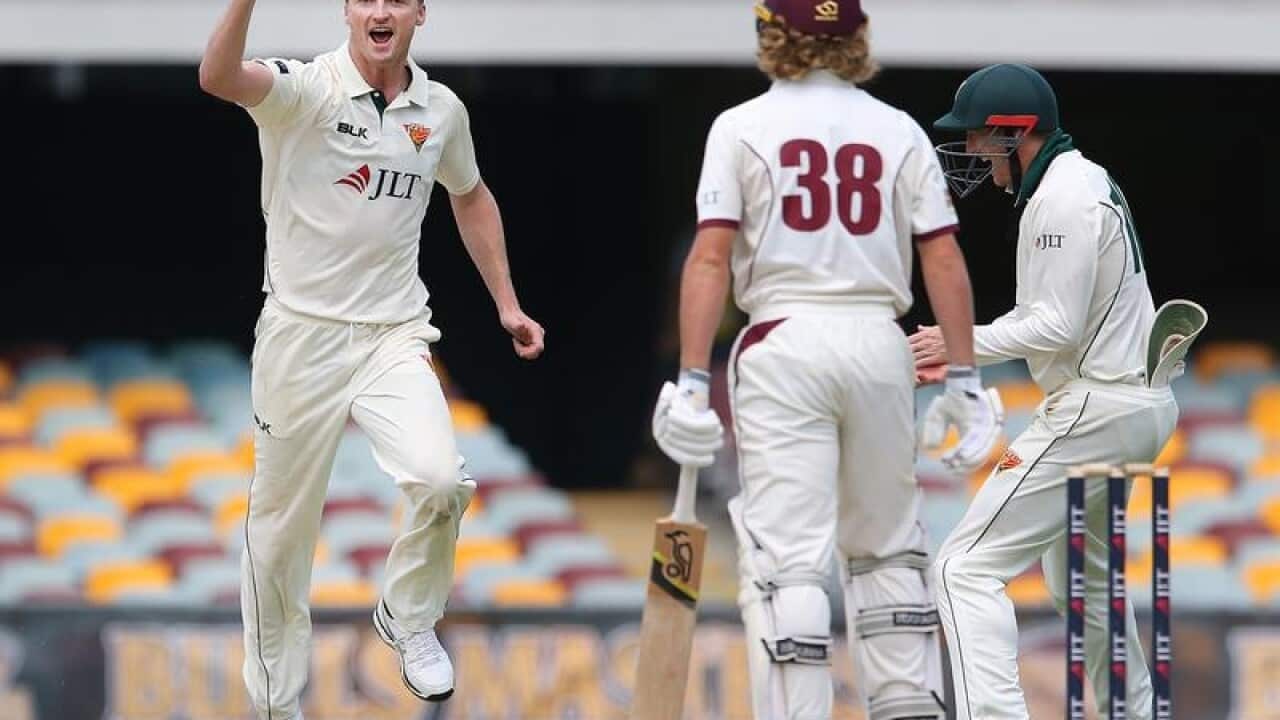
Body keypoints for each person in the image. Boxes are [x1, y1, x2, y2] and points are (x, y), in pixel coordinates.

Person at [649, 2, 1003, 718]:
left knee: (790, 565)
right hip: (879, 342)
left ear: (770, 36)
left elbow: (710, 259)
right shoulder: (897, 128)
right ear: (858, 40)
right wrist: (965, 377)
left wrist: (691, 378)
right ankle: (908, 707)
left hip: (784, 341)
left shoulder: (740, 126)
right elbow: (943, 258)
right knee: (887, 553)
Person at [198, 1, 545, 718]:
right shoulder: (305, 90)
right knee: (278, 536)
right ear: (349, 11)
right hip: (301, 335)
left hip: (392, 333)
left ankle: (408, 616)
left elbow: (472, 196)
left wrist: (507, 303)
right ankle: (273, 705)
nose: (380, 10)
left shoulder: (440, 111)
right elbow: (219, 76)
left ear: (420, 12)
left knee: (441, 479)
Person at [911, 63, 1179, 720]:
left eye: (978, 136)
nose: (970, 150)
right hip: (1132, 404)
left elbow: (1054, 325)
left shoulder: (1061, 196)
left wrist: (955, 342)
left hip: (1100, 405)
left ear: (1014, 132)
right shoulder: (1078, 180)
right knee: (1083, 590)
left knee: (964, 568)